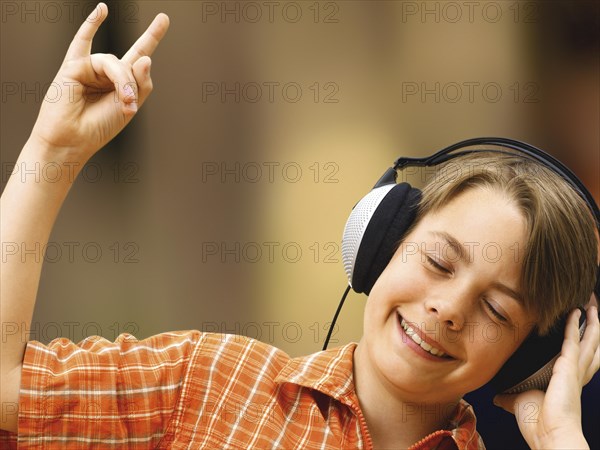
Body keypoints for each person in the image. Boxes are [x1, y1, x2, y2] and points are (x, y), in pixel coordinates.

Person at [1, 3, 598, 449]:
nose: (447, 308)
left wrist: (563, 439)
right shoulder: (209, 381)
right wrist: (51, 154)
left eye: (497, 310)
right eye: (439, 262)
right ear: (381, 241)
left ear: (528, 355)